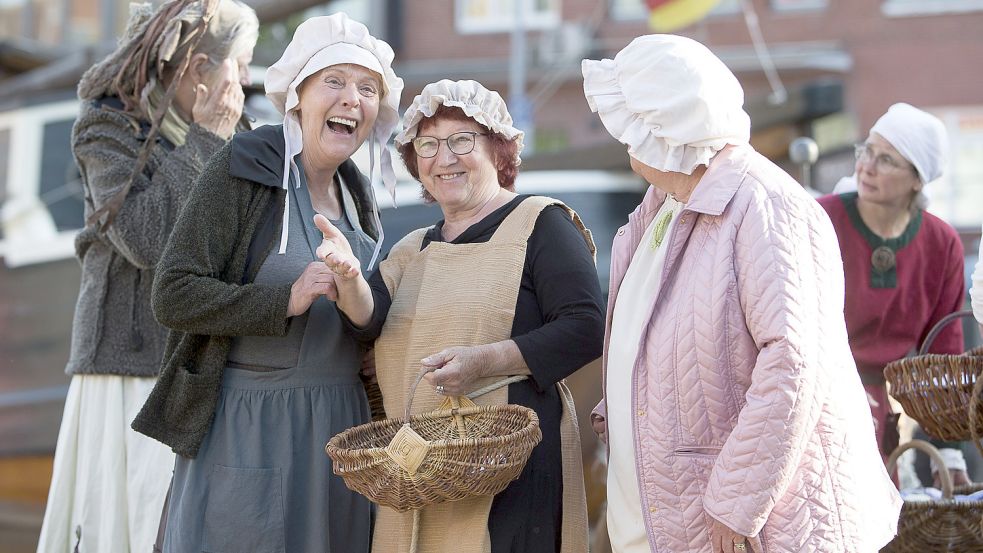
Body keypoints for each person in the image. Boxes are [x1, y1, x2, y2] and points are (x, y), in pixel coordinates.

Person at [583, 35, 901, 553]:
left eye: (629, 125)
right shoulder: (665, 201)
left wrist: (738, 504)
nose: (622, 139)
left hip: (751, 523)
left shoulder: (769, 207)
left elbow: (795, 365)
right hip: (671, 511)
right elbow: (657, 329)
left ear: (665, 130)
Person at [128, 13, 403, 552]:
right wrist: (287, 298)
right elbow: (173, 292)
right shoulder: (244, 167)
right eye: (334, 81)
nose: (352, 98)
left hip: (339, 426)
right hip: (252, 426)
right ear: (297, 95)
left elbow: (365, 318)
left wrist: (359, 303)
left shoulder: (358, 194)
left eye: (367, 88)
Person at [317, 79, 602, 553]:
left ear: (499, 149)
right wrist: (348, 278)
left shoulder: (540, 223)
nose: (443, 158)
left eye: (461, 140)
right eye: (427, 145)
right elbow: (368, 321)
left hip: (511, 469)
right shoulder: (413, 250)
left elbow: (585, 328)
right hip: (420, 468)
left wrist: (485, 361)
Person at [36, 1, 258, 551]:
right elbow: (149, 238)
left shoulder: (240, 131)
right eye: (242, 63)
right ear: (196, 69)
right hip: (129, 367)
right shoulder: (105, 129)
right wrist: (206, 140)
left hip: (202, 369)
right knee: (131, 528)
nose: (247, 80)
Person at [817, 103, 968, 484]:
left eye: (886, 159)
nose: (867, 166)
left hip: (882, 413)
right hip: (815, 400)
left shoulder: (940, 243)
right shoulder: (819, 220)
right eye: (866, 151)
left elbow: (943, 353)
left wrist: (948, 453)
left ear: (917, 179)